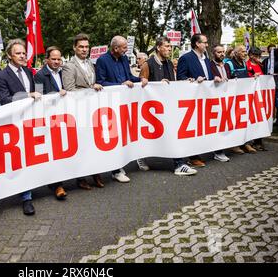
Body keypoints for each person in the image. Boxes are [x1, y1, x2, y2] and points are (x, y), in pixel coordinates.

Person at [0, 39, 42, 216]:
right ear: (9, 55)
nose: (23, 56)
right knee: (21, 158)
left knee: (33, 155)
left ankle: (34, 186)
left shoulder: (29, 72)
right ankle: (26, 198)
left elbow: (39, 90)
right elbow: (4, 99)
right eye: (18, 53)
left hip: (32, 120)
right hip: (15, 123)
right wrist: (28, 95)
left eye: (24, 53)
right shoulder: (1, 76)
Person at [139, 37, 197, 176]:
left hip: (168, 106)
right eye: (166, 46)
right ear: (158, 48)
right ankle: (141, 156)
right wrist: (158, 83)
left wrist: (184, 82)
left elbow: (173, 83)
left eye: (170, 46)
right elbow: (142, 85)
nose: (170, 49)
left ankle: (179, 162)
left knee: (173, 133)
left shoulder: (170, 63)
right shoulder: (148, 64)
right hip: (153, 109)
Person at [96, 35, 149, 182]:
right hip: (111, 104)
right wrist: (121, 84)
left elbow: (130, 77)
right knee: (114, 136)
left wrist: (141, 80)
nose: (127, 50)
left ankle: (124, 162)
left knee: (125, 134)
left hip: (125, 103)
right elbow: (100, 82)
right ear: (115, 48)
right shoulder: (102, 60)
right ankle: (116, 170)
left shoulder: (125, 59)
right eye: (124, 47)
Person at [62, 33, 105, 190]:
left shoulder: (90, 64)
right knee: (81, 145)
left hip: (92, 110)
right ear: (74, 47)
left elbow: (93, 82)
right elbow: (69, 89)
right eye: (81, 46)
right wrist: (89, 89)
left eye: (87, 47)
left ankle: (96, 173)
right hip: (77, 110)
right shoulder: (69, 66)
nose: (84, 49)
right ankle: (81, 178)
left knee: (93, 143)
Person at [34, 46, 68, 200]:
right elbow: (40, 97)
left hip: (65, 116)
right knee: (52, 150)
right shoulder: (40, 75)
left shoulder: (63, 72)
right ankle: (56, 185)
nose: (56, 62)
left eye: (59, 59)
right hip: (49, 118)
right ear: (46, 59)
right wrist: (56, 94)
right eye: (53, 59)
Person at [177, 33, 214, 168]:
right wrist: (192, 81)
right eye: (204, 42)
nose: (207, 45)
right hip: (192, 100)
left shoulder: (206, 59)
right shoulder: (185, 58)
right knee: (193, 127)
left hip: (206, 97)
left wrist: (214, 79)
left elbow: (209, 76)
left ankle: (202, 151)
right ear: (197, 44)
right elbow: (181, 78)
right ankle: (193, 157)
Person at [224, 45, 260, 154]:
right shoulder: (228, 64)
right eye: (243, 52)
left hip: (244, 97)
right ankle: (234, 144)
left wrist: (253, 77)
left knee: (245, 121)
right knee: (235, 121)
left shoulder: (244, 63)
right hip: (234, 98)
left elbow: (246, 77)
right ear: (236, 53)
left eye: (246, 51)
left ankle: (246, 143)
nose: (245, 54)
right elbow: (227, 81)